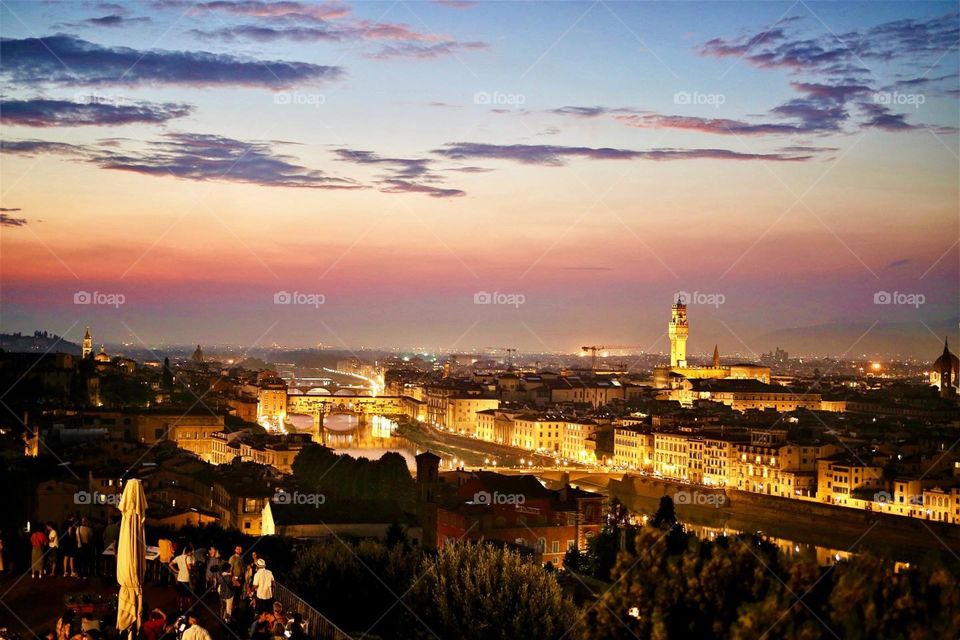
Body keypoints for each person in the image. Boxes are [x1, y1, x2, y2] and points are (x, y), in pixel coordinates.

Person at [170, 546, 194, 612]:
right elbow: (189, 568)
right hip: (186, 579)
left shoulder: (178, 557)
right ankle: (190, 608)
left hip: (179, 578)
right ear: (189, 552)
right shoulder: (188, 557)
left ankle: (180, 607)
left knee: (180, 594)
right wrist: (192, 569)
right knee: (188, 595)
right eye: (191, 552)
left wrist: (176, 571)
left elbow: (170, 564)